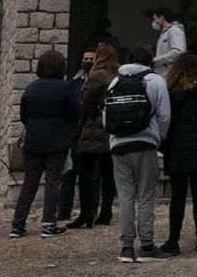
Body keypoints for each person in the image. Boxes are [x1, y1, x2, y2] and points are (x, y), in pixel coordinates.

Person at [106, 48, 173, 261]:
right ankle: (146, 247)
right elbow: (164, 116)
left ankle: (126, 247)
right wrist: (158, 138)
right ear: (150, 61)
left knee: (125, 197)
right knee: (145, 195)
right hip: (145, 144)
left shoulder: (114, 82)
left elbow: (106, 118)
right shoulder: (155, 81)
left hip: (118, 146)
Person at [11, 49, 79, 238]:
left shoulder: (31, 88)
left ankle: (17, 225)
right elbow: (74, 113)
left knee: (29, 183)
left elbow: (24, 116)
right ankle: (48, 224)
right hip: (57, 140)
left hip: (34, 141)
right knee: (52, 181)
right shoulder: (64, 88)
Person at [161, 51, 197, 255]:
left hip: (178, 148)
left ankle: (173, 240)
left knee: (177, 196)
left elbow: (165, 121)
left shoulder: (172, 93)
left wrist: (165, 145)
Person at [68, 43, 117, 228]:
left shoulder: (97, 75)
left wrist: (79, 126)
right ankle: (106, 212)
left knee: (85, 173)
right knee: (108, 175)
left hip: (92, 130)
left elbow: (87, 103)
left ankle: (86, 213)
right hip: (110, 130)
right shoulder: (116, 75)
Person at [149, 7, 187, 74]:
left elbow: (178, 52)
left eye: (155, 19)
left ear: (162, 18)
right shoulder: (164, 33)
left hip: (171, 76)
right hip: (164, 75)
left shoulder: (174, 30)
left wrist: (156, 60)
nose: (154, 22)